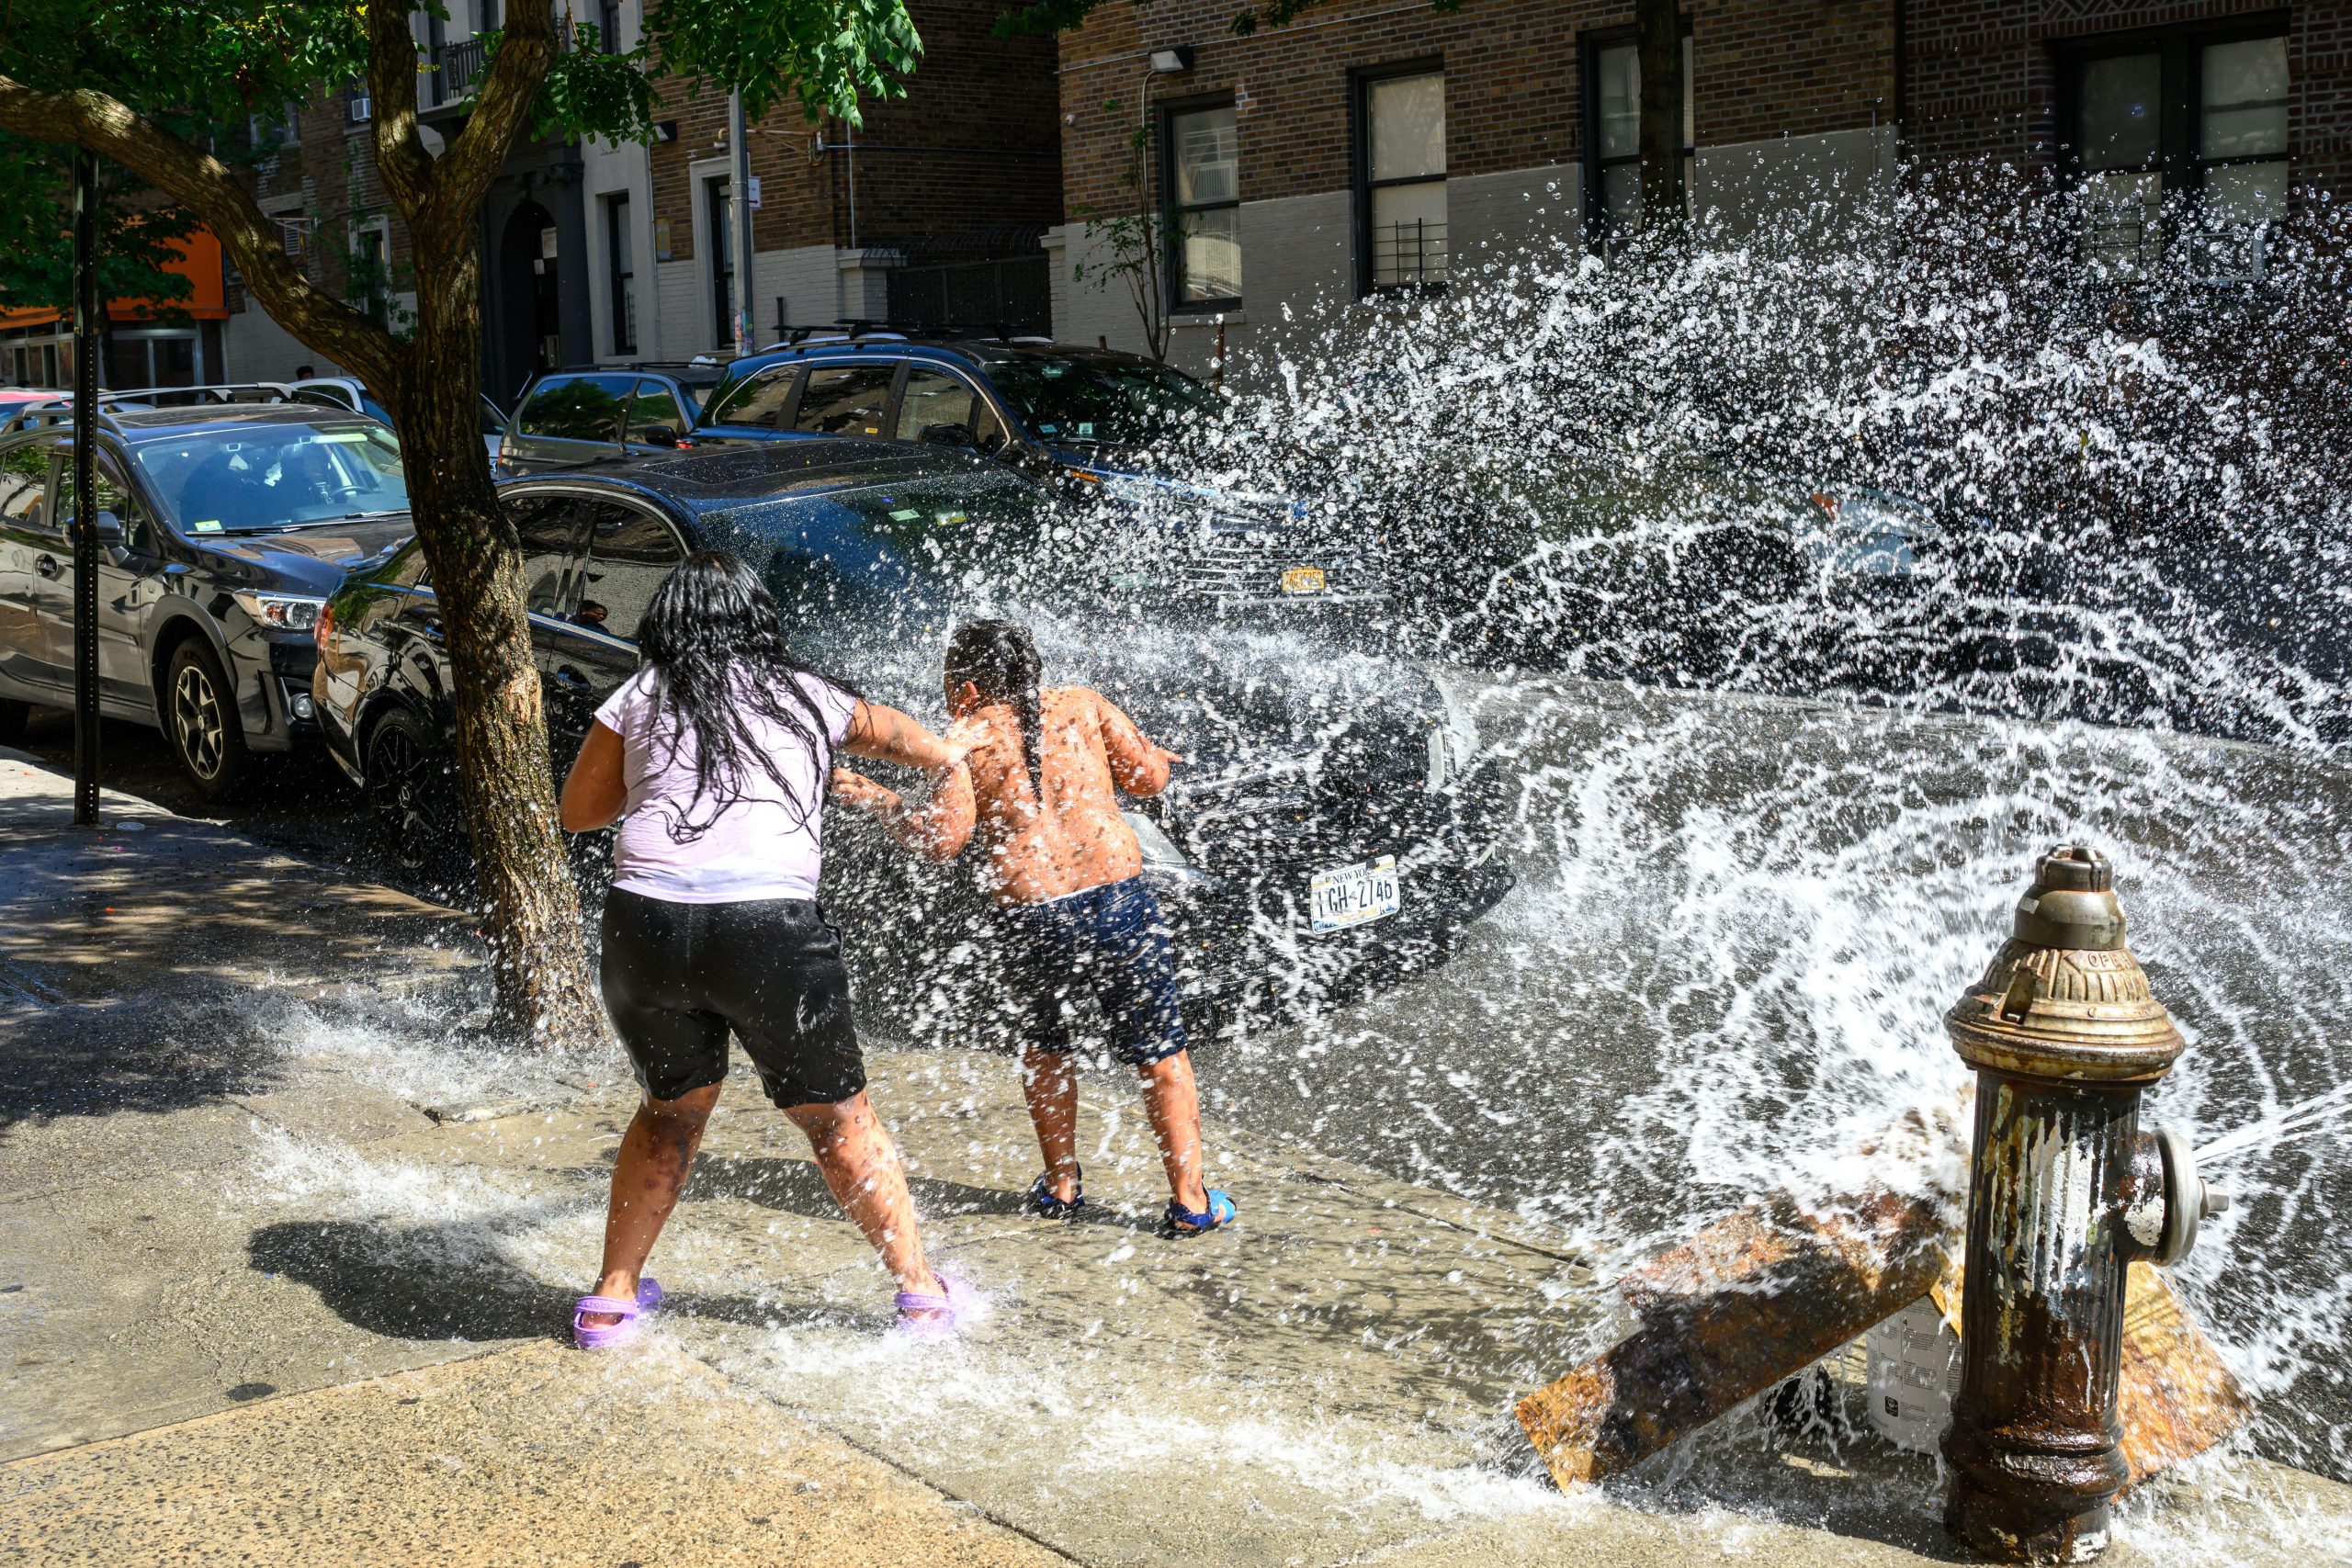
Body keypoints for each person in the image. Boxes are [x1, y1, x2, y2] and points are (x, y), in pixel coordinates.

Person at [558, 550, 977, 1347]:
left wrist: (653, 781)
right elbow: (901, 739)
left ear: (666, 622)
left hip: (646, 929)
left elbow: (580, 811)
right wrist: (951, 755)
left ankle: (610, 1300)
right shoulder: (804, 694)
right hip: (766, 931)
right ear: (759, 619)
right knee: (839, 1118)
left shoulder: (638, 694)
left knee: (670, 1108)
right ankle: (920, 1293)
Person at [842, 619, 1235, 1236]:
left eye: (948, 680)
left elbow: (945, 840)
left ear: (967, 688)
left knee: (1048, 1047)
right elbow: (1149, 779)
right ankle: (1189, 1201)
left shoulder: (965, 738)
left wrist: (882, 800)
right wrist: (1154, 756)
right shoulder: (1084, 705)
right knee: (1161, 1052)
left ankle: (1061, 1184)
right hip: (1119, 901)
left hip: (1032, 916)